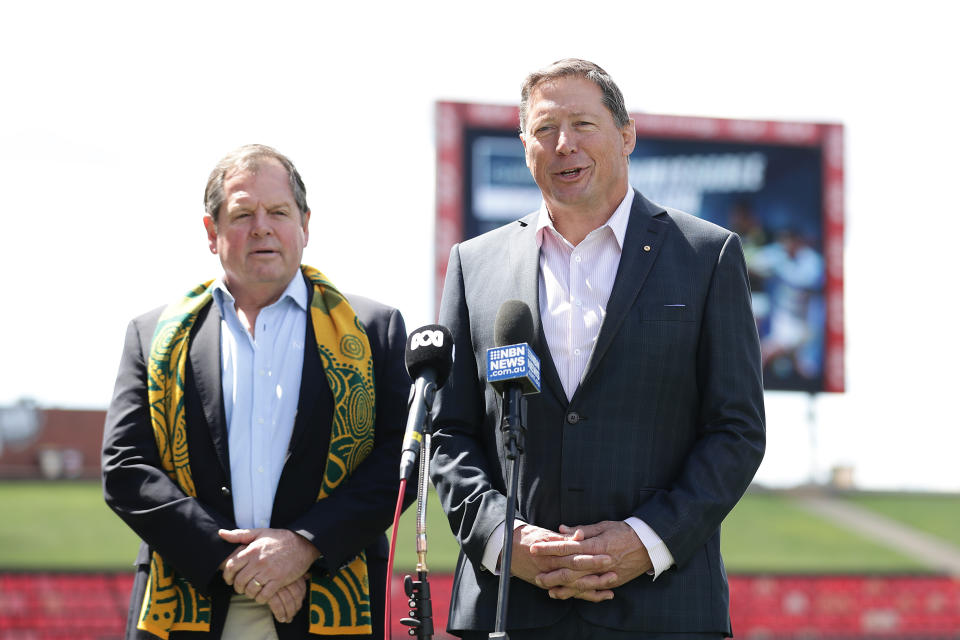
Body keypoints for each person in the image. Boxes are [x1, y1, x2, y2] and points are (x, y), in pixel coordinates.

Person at [430, 59, 766, 639]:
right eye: (544, 129)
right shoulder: (474, 265)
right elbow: (449, 432)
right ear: (524, 145)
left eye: (583, 124)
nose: (564, 145)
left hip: (661, 609)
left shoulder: (706, 256)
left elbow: (736, 429)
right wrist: (501, 538)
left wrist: (647, 539)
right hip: (509, 609)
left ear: (626, 135)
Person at [102, 144, 410, 640]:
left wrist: (304, 546)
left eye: (279, 212)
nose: (262, 227)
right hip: (189, 604)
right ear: (211, 232)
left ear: (305, 225)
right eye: (243, 213)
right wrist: (233, 562)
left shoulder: (374, 330)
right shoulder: (153, 335)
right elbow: (126, 469)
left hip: (324, 601)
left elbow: (401, 462)